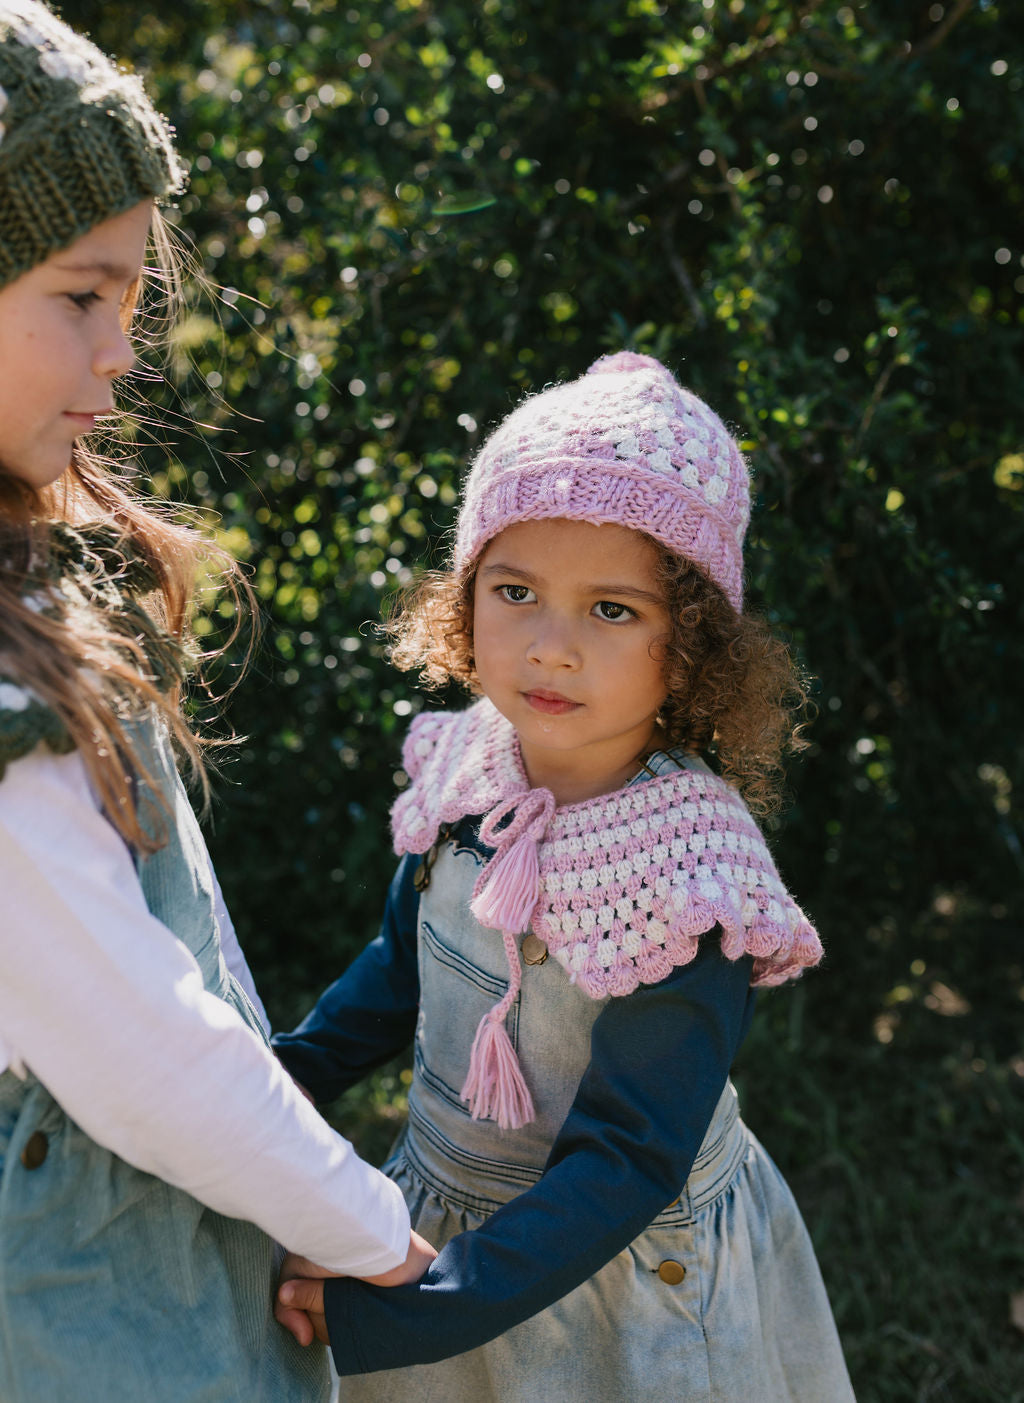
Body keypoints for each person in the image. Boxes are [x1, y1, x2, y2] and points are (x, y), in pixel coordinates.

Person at [272, 351, 857, 1399]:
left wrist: (422, 1298)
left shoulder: (690, 876)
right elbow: (397, 971)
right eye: (516, 591)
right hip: (446, 1222)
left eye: (611, 609)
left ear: (693, 643)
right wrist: (264, 1093)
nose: (550, 646)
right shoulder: (467, 767)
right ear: (466, 593)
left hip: (624, 1285)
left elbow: (626, 1158)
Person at [0, 5, 433, 1401]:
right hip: (101, 1324)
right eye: (82, 294)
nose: (122, 351)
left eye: (133, 302)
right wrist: (368, 1230)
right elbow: (144, 1047)